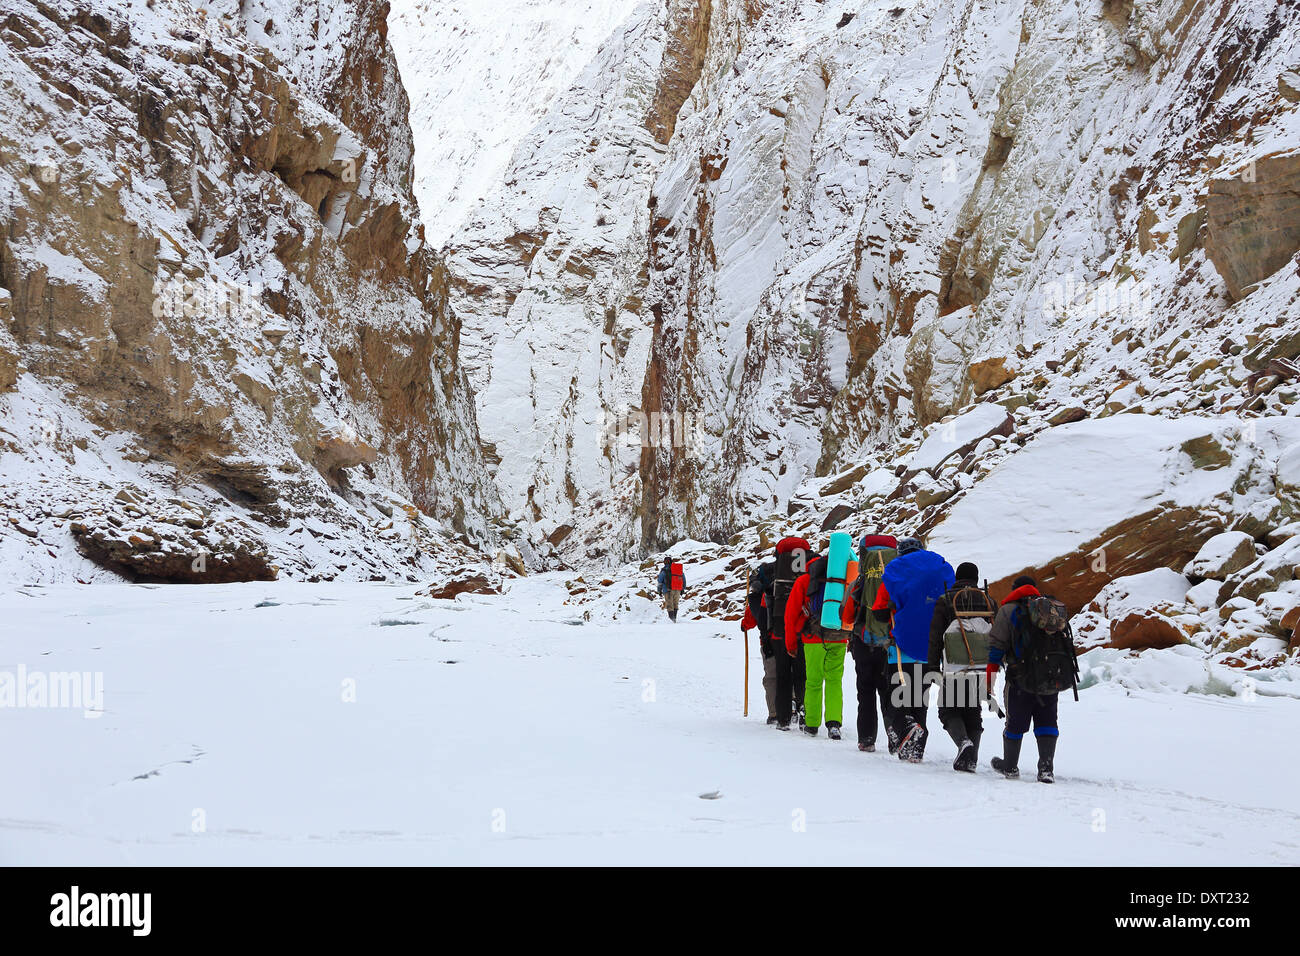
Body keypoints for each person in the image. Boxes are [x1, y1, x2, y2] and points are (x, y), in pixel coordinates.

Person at [871, 536, 954, 762]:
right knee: (920, 698)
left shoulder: (896, 572)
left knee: (894, 697)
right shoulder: (939, 568)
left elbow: (879, 611)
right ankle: (915, 751)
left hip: (901, 648)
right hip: (932, 650)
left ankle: (907, 727)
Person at [987, 575, 1068, 783]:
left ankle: (1011, 767)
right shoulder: (1050, 609)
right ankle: (1046, 769)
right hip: (1051, 678)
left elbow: (997, 646)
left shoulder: (1008, 611)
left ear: (1015, 589)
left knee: (1015, 723)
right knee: (1048, 720)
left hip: (1020, 679)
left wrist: (990, 676)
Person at [926, 562, 996, 772]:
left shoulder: (946, 600)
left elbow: (936, 637)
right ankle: (970, 759)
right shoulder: (988, 600)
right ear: (976, 578)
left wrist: (932, 665)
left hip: (955, 665)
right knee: (973, 709)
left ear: (957, 577)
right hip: (982, 665)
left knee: (948, 709)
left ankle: (963, 743)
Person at [784, 551, 847, 739]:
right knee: (835, 681)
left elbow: (790, 615)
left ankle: (811, 724)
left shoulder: (804, 581)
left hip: (813, 639)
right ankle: (834, 724)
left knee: (813, 681)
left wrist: (791, 644)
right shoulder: (841, 580)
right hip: (838, 637)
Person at [846, 533, 899, 752]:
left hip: (863, 642)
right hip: (890, 645)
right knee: (888, 693)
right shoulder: (897, 581)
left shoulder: (860, 583)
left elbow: (847, 615)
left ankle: (866, 739)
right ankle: (895, 738)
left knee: (865, 692)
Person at [770, 537, 810, 731]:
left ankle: (783, 719)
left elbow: (762, 602)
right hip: (804, 631)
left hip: (779, 631)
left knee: (783, 675)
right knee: (803, 675)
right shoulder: (812, 567)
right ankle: (805, 714)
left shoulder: (771, 570)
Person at [742, 560, 779, 724]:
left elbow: (750, 620)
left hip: (767, 642)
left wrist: (744, 625)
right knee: (790, 674)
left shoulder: (758, 597)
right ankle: (793, 707)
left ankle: (774, 713)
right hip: (790, 638)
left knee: (771, 677)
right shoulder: (786, 587)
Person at [656, 557, 685, 622]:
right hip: (677, 589)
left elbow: (660, 581)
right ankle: (674, 619)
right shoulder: (677, 569)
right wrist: (682, 588)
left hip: (668, 590)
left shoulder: (664, 570)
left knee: (669, 605)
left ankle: (672, 620)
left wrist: (659, 590)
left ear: (664, 562)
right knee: (675, 604)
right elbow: (683, 579)